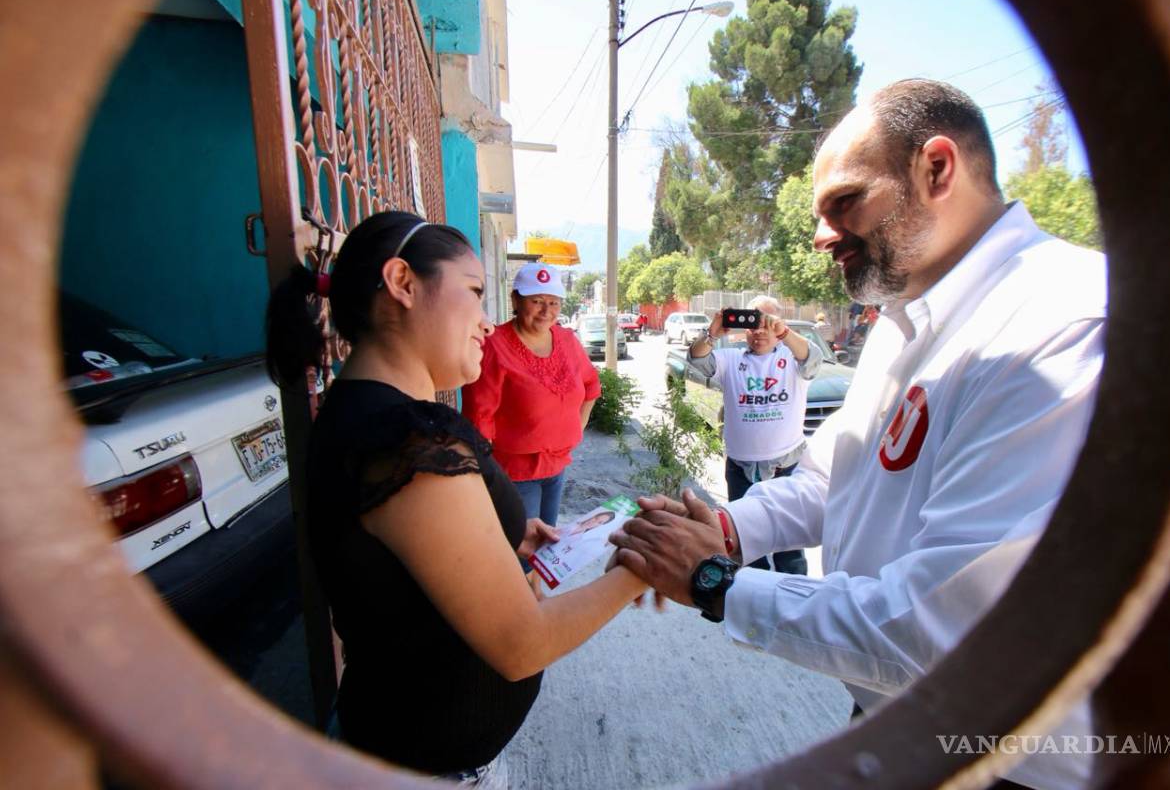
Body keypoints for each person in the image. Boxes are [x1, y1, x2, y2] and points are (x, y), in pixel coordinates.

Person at [610, 79, 1106, 789]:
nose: (819, 234)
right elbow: (833, 475)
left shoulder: (1062, 325)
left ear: (936, 169)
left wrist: (715, 581)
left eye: (845, 202)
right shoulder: (910, 315)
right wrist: (724, 529)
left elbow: (945, 629)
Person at [265, 211, 646, 784]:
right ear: (402, 284)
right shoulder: (405, 441)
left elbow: (401, 570)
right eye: (473, 292)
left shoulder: (371, 414)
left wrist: (507, 539)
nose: (486, 322)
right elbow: (522, 644)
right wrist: (643, 570)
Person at [686, 295, 820, 575]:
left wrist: (784, 333)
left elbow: (813, 359)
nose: (759, 331)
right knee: (747, 545)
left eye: (766, 324)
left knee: (790, 548)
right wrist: (713, 332)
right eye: (753, 325)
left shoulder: (792, 358)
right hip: (741, 468)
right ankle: (755, 604)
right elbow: (697, 360)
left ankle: (792, 608)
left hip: (787, 467)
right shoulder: (731, 359)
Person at [462, 262, 598, 528]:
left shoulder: (567, 340)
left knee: (547, 548)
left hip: (557, 466)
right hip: (515, 472)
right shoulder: (494, 346)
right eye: (536, 301)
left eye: (554, 302)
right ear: (516, 299)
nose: (546, 311)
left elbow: (591, 385)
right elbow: (479, 416)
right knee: (523, 552)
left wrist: (577, 429)